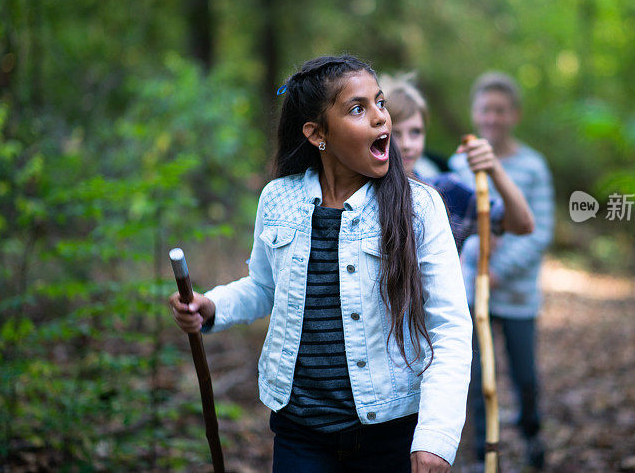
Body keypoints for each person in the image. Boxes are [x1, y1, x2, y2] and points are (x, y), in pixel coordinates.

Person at [168, 56, 472, 473]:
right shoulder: (278, 198)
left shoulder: (419, 206)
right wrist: (212, 306)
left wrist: (436, 437)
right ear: (317, 133)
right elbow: (264, 287)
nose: (381, 118)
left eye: (379, 103)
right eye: (357, 109)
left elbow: (450, 326)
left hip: (391, 430)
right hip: (300, 431)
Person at [448, 72, 554, 470]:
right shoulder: (460, 163)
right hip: (471, 292)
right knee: (474, 377)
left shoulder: (532, 166)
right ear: (475, 113)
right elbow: (458, 224)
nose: (492, 118)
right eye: (485, 110)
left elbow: (537, 231)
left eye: (500, 110)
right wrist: (474, 270)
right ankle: (481, 455)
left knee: (524, 375)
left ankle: (532, 436)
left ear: (514, 115)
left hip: (517, 295)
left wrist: (497, 271)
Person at [379, 72, 534, 252]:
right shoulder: (359, 194)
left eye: (415, 132)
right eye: (396, 133)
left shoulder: (445, 192)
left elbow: (522, 224)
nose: (406, 145)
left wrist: (494, 169)